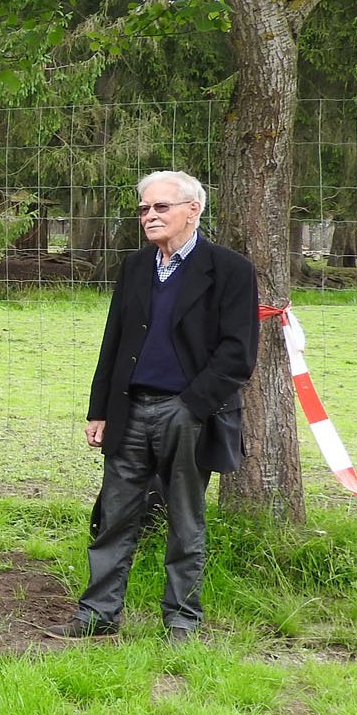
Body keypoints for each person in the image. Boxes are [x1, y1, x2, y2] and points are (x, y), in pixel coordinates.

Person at [48, 170, 257, 643]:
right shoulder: (137, 267)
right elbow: (115, 342)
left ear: (193, 210)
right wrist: (99, 409)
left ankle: (182, 622)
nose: (150, 216)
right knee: (115, 516)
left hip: (188, 414)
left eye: (161, 207)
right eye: (144, 209)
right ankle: (97, 615)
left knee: (186, 521)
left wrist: (191, 406)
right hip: (129, 410)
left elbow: (237, 352)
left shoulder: (230, 270)